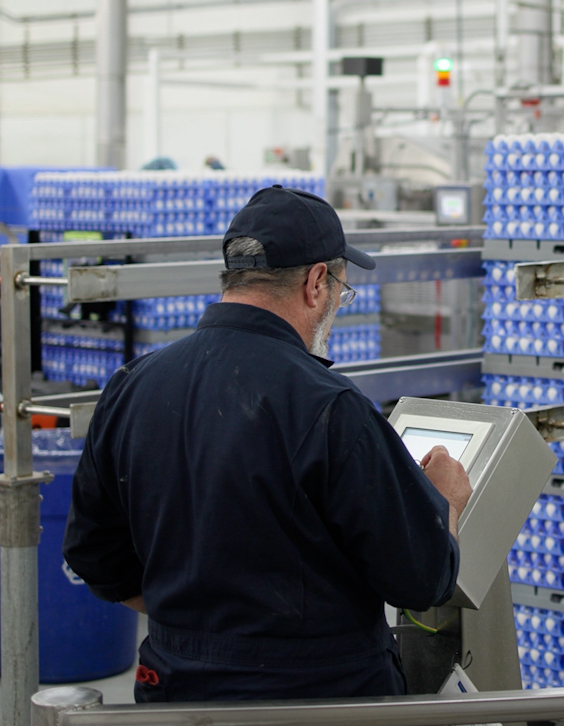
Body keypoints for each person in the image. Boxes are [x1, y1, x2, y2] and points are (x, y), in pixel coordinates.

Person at [65, 185, 470, 702]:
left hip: (174, 693)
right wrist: (445, 501)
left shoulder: (131, 386)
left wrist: (199, 631)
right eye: (342, 290)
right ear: (316, 282)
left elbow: (94, 557)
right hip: (319, 699)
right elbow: (422, 582)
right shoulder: (329, 407)